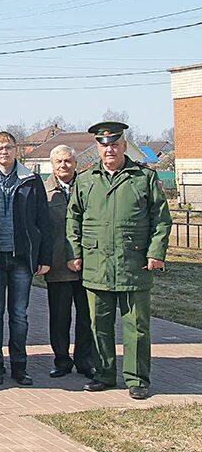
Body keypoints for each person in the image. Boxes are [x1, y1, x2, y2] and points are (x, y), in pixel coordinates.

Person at [68, 121, 171, 400]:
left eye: (114, 144)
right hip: (96, 262)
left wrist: (155, 253)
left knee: (136, 326)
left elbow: (161, 219)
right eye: (104, 145)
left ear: (124, 146)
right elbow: (73, 218)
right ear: (98, 149)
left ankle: (137, 379)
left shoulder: (143, 178)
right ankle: (103, 374)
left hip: (133, 263)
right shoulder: (86, 180)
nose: (109, 149)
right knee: (98, 324)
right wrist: (75, 253)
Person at [0, 131, 51, 386]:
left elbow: (42, 220)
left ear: (16, 150)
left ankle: (20, 366)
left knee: (19, 315)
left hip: (21, 258)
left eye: (9, 147)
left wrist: (43, 256)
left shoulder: (31, 180)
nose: (4, 152)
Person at [44, 145, 94, 380]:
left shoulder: (87, 187)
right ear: (52, 164)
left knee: (86, 317)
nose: (63, 165)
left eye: (68, 161)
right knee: (60, 317)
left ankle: (85, 361)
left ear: (75, 163)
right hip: (57, 265)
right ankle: (61, 360)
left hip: (87, 264)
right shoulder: (43, 191)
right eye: (59, 162)